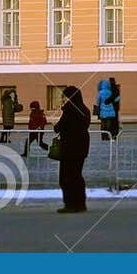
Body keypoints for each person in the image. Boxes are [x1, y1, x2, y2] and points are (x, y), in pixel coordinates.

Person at [55, 84, 91, 213]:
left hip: (69, 148)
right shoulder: (84, 110)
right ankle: (80, 203)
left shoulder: (69, 110)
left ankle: (70, 204)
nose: (63, 99)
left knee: (66, 177)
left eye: (64, 97)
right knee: (77, 176)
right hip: (81, 147)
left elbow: (58, 128)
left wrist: (57, 122)